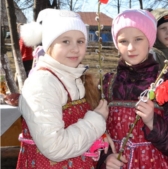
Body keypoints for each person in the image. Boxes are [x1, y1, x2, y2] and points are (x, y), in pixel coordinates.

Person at [97, 9, 168, 169]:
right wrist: (104, 159)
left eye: (138, 39)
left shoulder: (167, 83)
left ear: (150, 40)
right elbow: (95, 134)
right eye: (124, 41)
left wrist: (153, 122)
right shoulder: (108, 83)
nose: (131, 47)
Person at [17, 9, 110, 168]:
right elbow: (55, 147)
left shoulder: (77, 78)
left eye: (80, 41)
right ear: (49, 45)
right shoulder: (42, 84)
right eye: (65, 41)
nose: (75, 48)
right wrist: (96, 121)